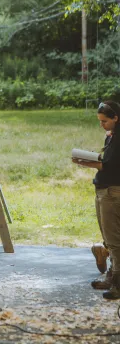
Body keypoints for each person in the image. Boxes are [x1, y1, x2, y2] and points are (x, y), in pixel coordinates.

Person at [72, 100, 120, 299]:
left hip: (111, 190)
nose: (102, 125)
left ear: (116, 118)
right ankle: (111, 274)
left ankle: (117, 283)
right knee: (108, 238)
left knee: (114, 240)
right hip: (103, 189)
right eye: (100, 121)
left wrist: (86, 163)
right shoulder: (112, 136)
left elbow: (109, 166)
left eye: (105, 121)